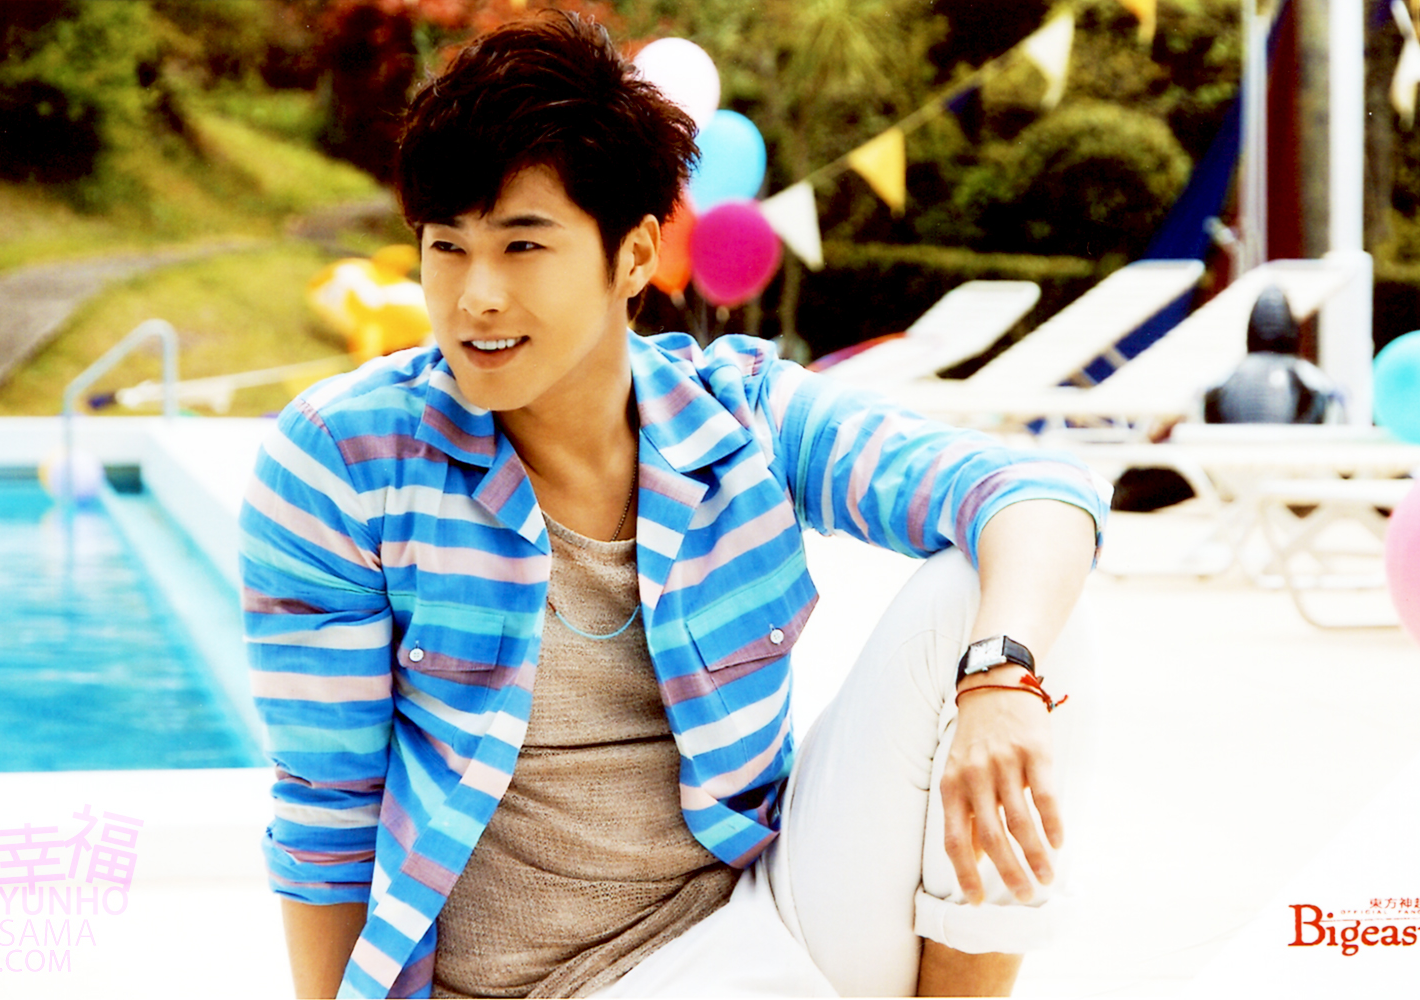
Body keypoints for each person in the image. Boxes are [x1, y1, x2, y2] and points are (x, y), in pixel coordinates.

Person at [241, 13, 1110, 999]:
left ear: (634, 255)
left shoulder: (739, 413)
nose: (474, 295)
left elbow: (1035, 493)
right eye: (447, 246)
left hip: (758, 923)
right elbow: (325, 805)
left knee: (999, 601)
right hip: (532, 984)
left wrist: (999, 679)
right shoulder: (346, 458)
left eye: (522, 244)